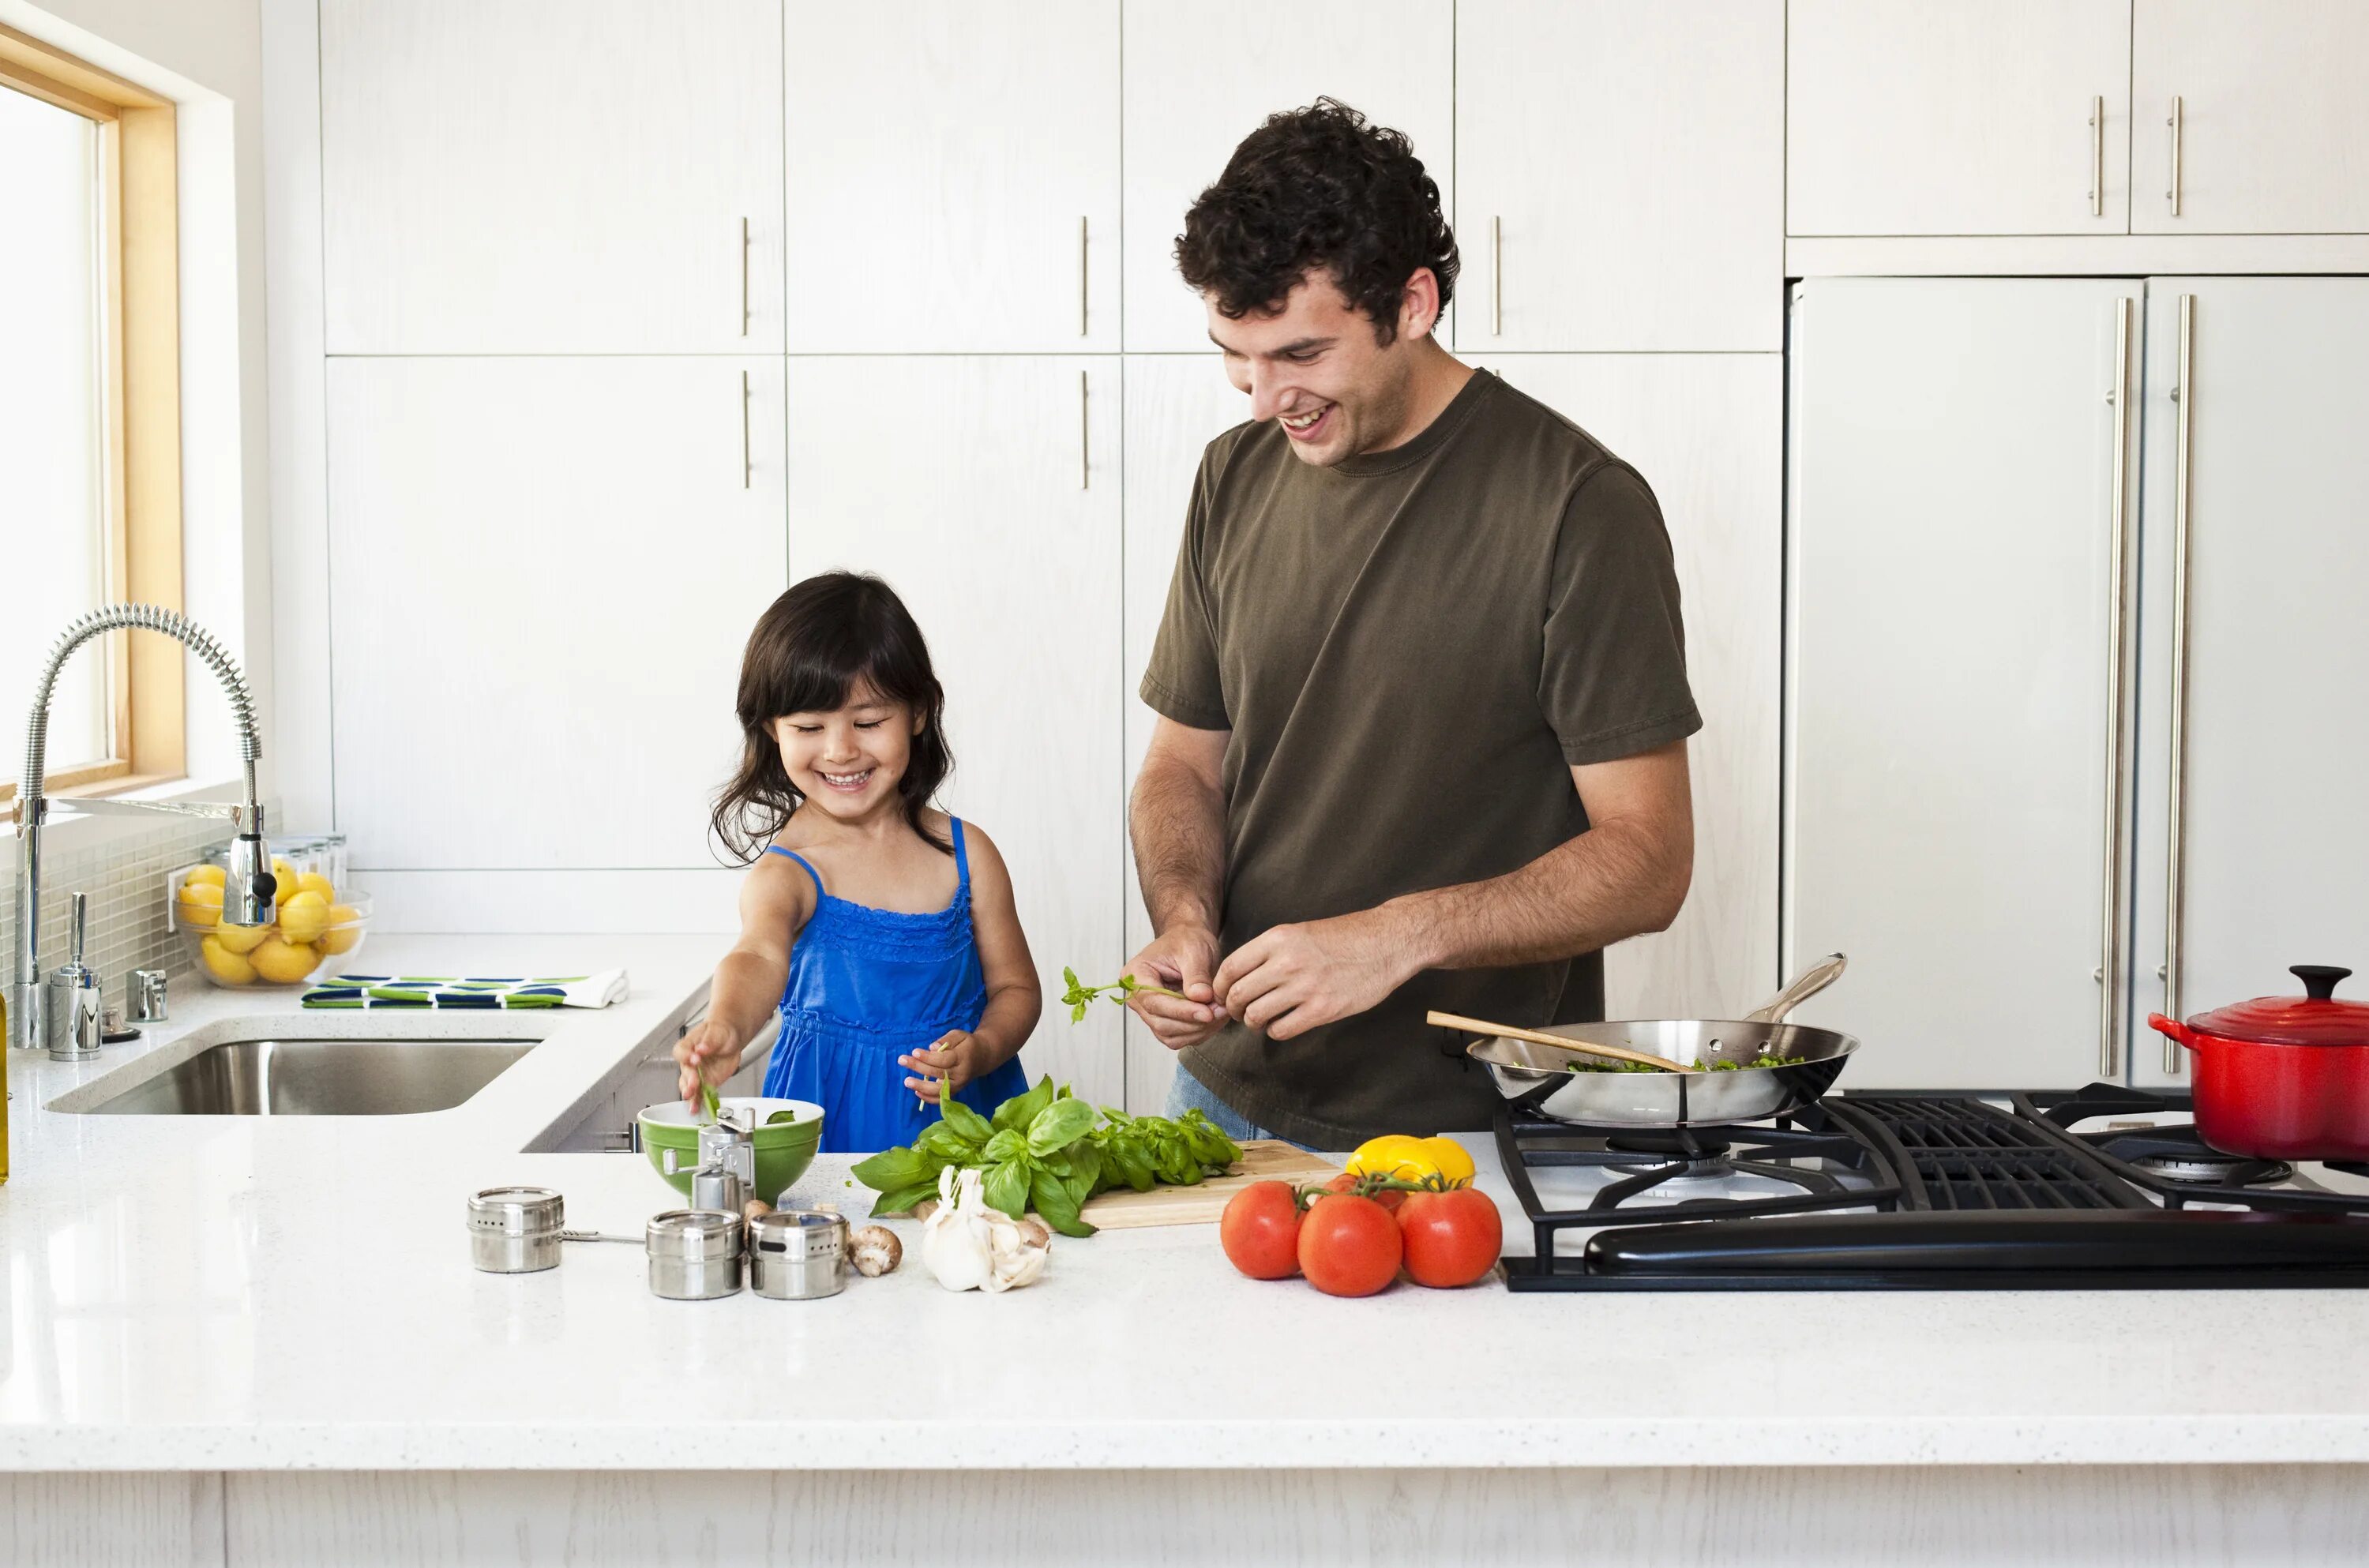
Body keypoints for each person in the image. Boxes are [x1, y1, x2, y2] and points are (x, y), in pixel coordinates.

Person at [1124, 99, 1701, 1149]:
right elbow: (1183, 769)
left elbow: (1649, 859)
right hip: (1228, 1095)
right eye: (1236, 359)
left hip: (1473, 1126)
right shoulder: (1233, 475)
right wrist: (1184, 918)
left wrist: (1398, 936)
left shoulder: (1579, 504)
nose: (1265, 401)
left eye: (1301, 354)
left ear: (1414, 301)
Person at [676, 572, 1040, 1153]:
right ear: (773, 730)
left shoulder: (967, 856)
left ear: (918, 713)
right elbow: (757, 954)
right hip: (828, 1124)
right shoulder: (789, 871)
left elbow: (1017, 989)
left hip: (962, 1125)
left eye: (869, 722)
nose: (841, 750)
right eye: (808, 727)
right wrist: (727, 1023)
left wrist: (985, 1048)